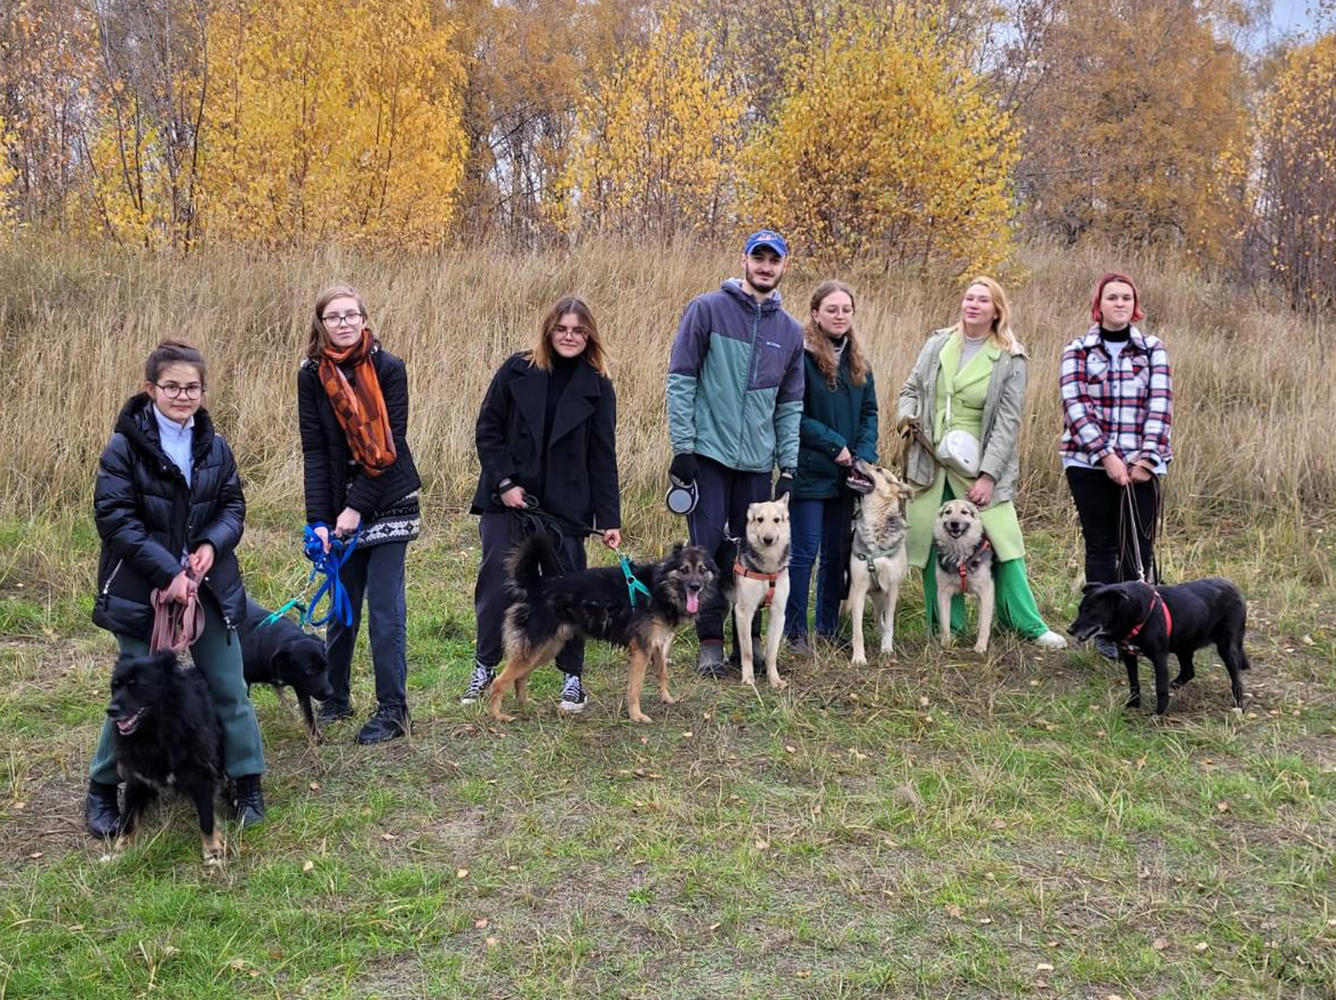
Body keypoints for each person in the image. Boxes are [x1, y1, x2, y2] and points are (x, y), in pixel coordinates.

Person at [85, 340, 266, 838]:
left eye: (192, 387)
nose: (183, 396)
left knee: (230, 685)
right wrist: (169, 573)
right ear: (151, 389)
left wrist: (211, 546)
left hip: (210, 588)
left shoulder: (215, 445)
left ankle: (246, 781)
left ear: (203, 392)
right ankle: (103, 787)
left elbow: (233, 507)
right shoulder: (124, 447)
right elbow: (115, 520)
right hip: (145, 592)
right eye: (172, 387)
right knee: (135, 694)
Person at [462, 297, 622, 712]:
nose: (570, 336)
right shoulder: (517, 369)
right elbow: (487, 429)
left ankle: (572, 678)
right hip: (509, 501)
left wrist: (609, 519)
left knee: (571, 594)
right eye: (562, 329)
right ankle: (485, 665)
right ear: (549, 331)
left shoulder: (598, 385)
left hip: (566, 509)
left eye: (579, 330)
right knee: (497, 585)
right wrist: (504, 482)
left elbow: (603, 456)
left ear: (589, 336)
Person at [900, 277, 1068, 649]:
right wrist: (907, 416)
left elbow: (1009, 423)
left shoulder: (1010, 357)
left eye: (983, 300)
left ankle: (1027, 624)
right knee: (933, 541)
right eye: (968, 298)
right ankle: (945, 628)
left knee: (1006, 544)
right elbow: (911, 388)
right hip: (931, 461)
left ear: (997, 311)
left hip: (978, 464)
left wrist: (989, 475)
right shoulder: (938, 343)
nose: (973, 305)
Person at [667, 229, 806, 676]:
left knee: (755, 555)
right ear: (744, 260)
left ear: (784, 266)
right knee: (705, 552)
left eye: (774, 259)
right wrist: (683, 447)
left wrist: (789, 466)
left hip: (756, 463)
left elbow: (790, 404)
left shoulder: (790, 331)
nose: (765, 266)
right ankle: (709, 644)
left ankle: (753, 647)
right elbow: (681, 380)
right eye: (758, 257)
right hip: (707, 454)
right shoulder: (707, 309)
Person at [298, 285, 421, 744]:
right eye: (334, 317)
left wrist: (355, 508)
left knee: (385, 609)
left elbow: (391, 450)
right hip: (339, 506)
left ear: (365, 320)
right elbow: (315, 451)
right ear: (321, 324)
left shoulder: (390, 369)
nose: (344, 323)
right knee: (341, 606)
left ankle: (394, 710)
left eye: (352, 315)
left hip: (389, 498)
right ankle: (335, 695)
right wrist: (320, 519)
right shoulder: (312, 376)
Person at [1060, 272, 1172, 656]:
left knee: (1137, 547)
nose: (1120, 303)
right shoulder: (1078, 350)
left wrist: (1145, 459)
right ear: (1100, 305)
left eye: (1126, 297)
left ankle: (1137, 627)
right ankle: (1106, 632)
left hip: (1142, 466)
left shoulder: (1152, 350)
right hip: (1087, 464)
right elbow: (1076, 407)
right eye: (1112, 297)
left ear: (1134, 305)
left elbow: (1160, 405)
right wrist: (1106, 455)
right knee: (1102, 543)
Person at [783, 280, 878, 656]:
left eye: (846, 310)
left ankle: (827, 627)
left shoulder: (858, 359)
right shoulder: (801, 356)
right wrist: (834, 445)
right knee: (804, 553)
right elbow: (795, 415)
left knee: (836, 556)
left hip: (848, 476)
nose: (840, 316)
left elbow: (870, 411)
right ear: (815, 314)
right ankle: (794, 632)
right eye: (832, 309)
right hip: (810, 470)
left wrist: (863, 453)